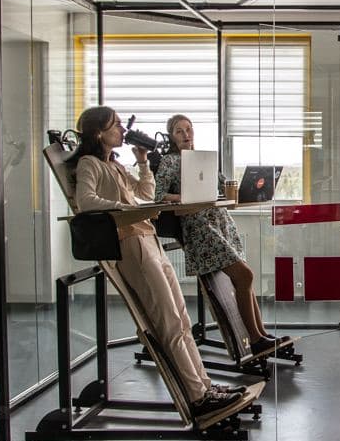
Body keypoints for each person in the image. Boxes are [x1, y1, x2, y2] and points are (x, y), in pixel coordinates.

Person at [68, 106, 245, 424]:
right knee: (168, 323)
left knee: (181, 318)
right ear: (98, 132)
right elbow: (86, 201)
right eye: (116, 125)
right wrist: (123, 208)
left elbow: (146, 193)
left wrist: (142, 163)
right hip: (131, 243)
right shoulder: (89, 164)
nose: (122, 130)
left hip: (148, 238)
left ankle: (206, 386)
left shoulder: (115, 165)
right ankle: (197, 397)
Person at [153, 114, 284, 357]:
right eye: (179, 131)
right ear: (171, 136)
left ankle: (262, 335)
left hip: (220, 221)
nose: (186, 134)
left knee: (244, 278)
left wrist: (246, 189)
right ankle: (256, 339)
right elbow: (158, 195)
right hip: (200, 226)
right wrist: (182, 196)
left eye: (189, 129)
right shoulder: (170, 161)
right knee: (245, 275)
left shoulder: (204, 158)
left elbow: (224, 185)